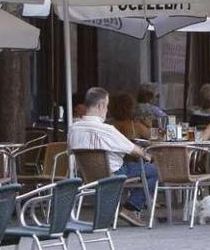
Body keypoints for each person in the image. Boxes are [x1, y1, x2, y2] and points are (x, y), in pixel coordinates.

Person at [68, 87, 158, 227]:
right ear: (100, 105)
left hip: (87, 177)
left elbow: (70, 151)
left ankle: (111, 210)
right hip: (114, 175)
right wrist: (147, 156)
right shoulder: (107, 130)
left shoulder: (73, 128)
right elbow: (134, 151)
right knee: (153, 170)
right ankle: (131, 208)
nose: (107, 110)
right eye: (107, 106)